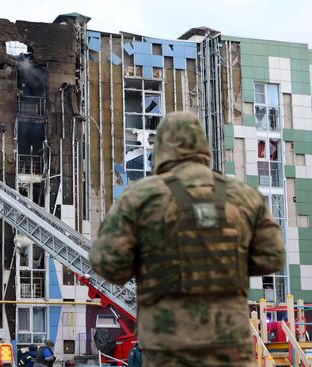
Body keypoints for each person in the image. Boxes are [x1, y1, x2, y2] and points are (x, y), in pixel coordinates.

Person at [90, 112, 285, 366]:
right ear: (201, 147)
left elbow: (107, 263)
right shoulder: (243, 196)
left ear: (161, 149)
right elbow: (272, 256)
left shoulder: (141, 197)